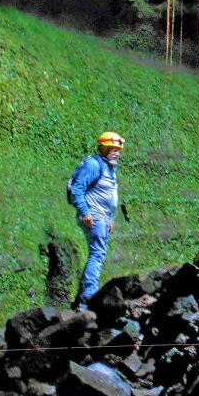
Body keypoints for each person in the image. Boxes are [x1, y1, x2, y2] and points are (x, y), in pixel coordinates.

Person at [70, 131, 125, 310]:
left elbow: (108, 195)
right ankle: (87, 298)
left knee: (98, 253)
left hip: (102, 218)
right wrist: (85, 212)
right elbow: (77, 189)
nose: (116, 153)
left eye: (118, 150)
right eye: (112, 149)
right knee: (97, 254)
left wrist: (111, 218)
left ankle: (86, 297)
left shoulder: (109, 167)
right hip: (93, 217)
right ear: (102, 148)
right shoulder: (94, 165)